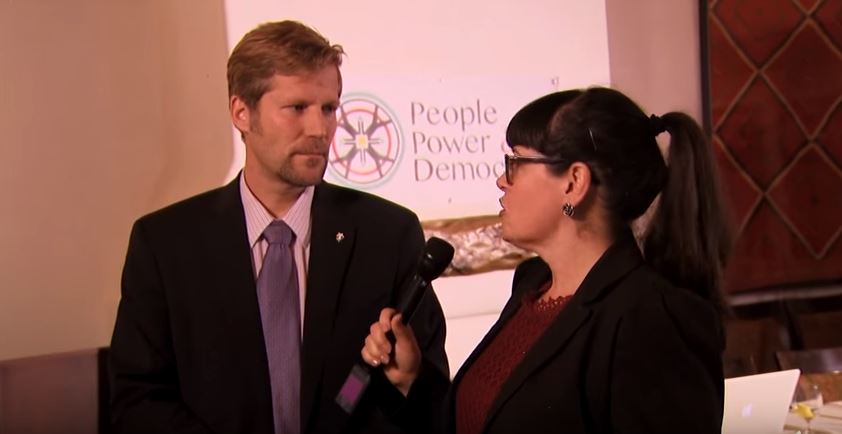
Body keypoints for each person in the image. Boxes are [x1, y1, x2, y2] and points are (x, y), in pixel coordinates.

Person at [109, 20, 448, 434]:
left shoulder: (389, 234)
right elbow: (137, 401)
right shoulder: (166, 244)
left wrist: (407, 382)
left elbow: (431, 401)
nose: (319, 129)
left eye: (328, 108)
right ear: (241, 112)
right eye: (297, 108)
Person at [361, 87, 732, 433]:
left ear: (574, 182)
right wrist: (412, 378)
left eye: (515, 162)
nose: (501, 181)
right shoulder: (531, 284)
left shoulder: (650, 317)